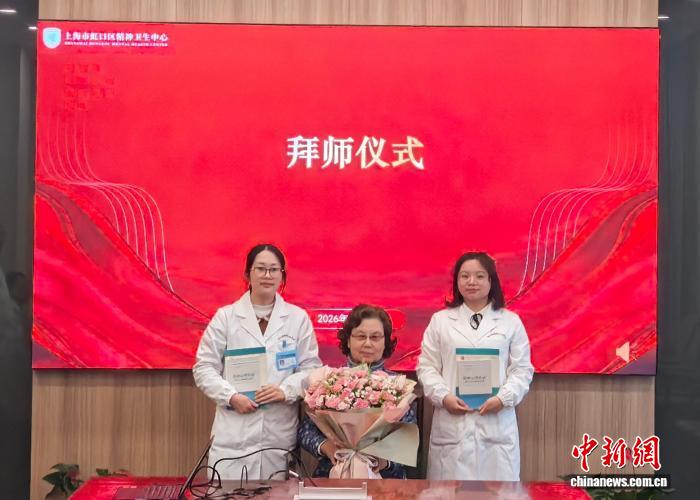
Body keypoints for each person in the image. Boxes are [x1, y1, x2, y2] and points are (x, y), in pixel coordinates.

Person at [193, 244, 322, 480]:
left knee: (275, 493)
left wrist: (285, 391)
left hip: (277, 436)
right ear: (247, 274)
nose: (267, 275)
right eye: (260, 269)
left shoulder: (297, 318)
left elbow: (311, 369)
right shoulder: (226, 317)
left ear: (282, 275)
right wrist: (231, 397)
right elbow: (204, 368)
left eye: (274, 269)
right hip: (233, 436)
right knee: (228, 494)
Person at [417, 252, 533, 481]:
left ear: (491, 281)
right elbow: (427, 367)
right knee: (450, 494)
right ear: (457, 281)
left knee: (496, 493)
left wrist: (503, 398)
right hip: (452, 424)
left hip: (496, 425)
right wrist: (443, 397)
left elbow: (522, 369)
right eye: (465, 276)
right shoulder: (440, 321)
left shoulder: (511, 321)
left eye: (479, 276)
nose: (471, 282)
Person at [298, 304, 417, 478]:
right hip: (334, 473)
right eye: (361, 336)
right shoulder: (328, 382)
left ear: (385, 341)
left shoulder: (399, 386)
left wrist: (385, 460)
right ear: (348, 340)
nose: (367, 343)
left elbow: (408, 440)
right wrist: (328, 448)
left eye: (375, 337)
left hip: (385, 479)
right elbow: (305, 432)